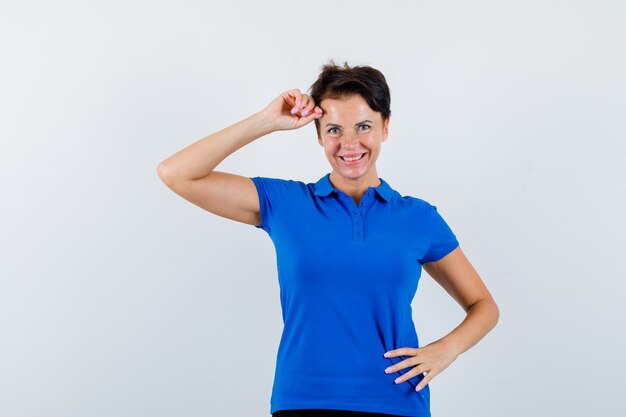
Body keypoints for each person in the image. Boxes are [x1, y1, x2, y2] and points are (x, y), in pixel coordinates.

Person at [156, 60, 500, 417]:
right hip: (304, 400)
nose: (349, 143)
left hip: (396, 401)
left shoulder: (419, 218)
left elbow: (484, 306)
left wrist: (446, 349)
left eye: (363, 126)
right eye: (334, 129)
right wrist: (265, 121)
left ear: (385, 127)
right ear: (318, 135)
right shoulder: (285, 204)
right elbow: (177, 173)